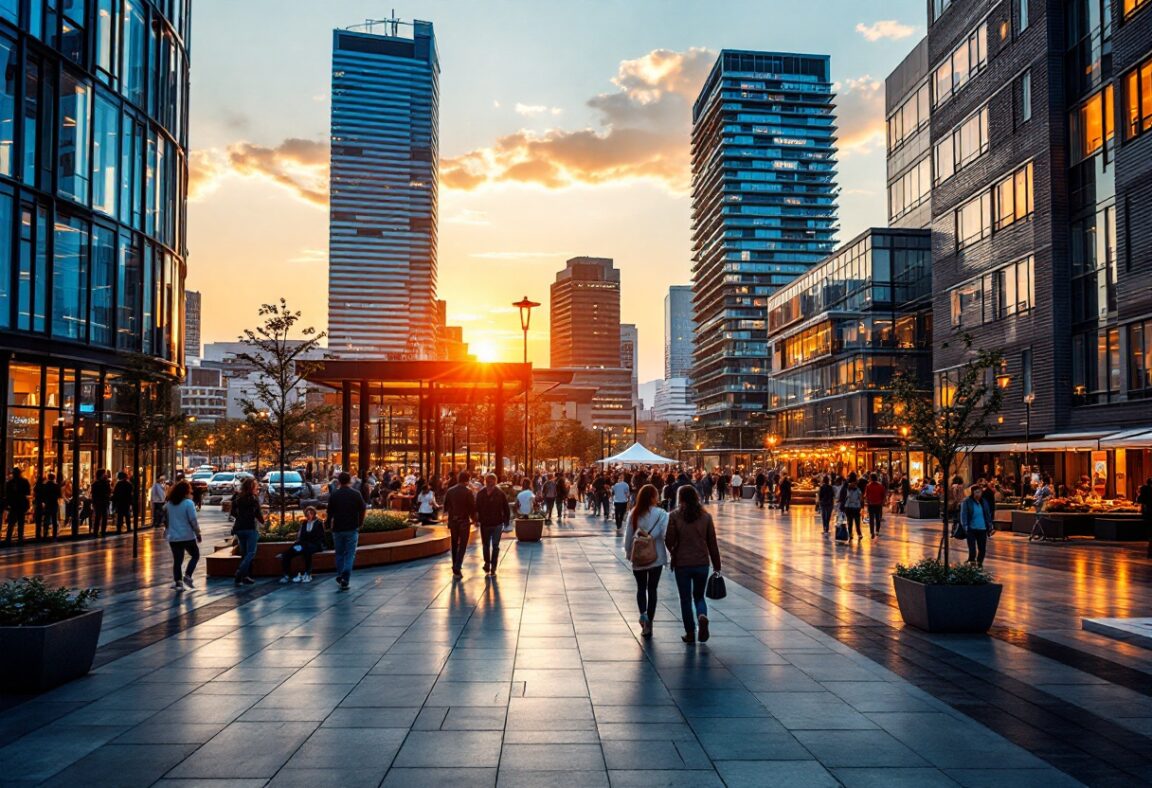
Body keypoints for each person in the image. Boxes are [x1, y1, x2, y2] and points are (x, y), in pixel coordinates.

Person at [665, 485, 721, 644]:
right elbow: (712, 543)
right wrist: (717, 565)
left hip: (682, 563)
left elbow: (668, 539)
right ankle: (702, 615)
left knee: (685, 599)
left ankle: (690, 633)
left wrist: (674, 551)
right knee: (699, 596)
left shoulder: (674, 516)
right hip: (702, 562)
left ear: (680, 498)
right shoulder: (706, 517)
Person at [328, 471, 367, 590]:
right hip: (351, 528)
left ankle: (341, 575)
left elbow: (329, 512)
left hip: (338, 529)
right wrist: (360, 522)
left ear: (338, 481)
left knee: (339, 554)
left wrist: (328, 524)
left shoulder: (334, 494)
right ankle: (345, 576)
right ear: (349, 481)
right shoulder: (356, 494)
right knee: (350, 554)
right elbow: (362, 509)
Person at [164, 480, 202, 592]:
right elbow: (193, 520)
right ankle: (188, 576)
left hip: (173, 536)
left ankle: (178, 581)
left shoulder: (169, 504)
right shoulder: (188, 503)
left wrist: (167, 530)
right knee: (195, 555)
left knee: (177, 560)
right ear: (186, 491)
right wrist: (198, 533)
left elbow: (165, 519)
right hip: (187, 536)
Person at [230, 478, 264, 586]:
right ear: (252, 487)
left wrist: (240, 518)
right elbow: (258, 514)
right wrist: (263, 522)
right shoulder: (254, 499)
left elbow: (233, 513)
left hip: (239, 528)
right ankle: (239, 573)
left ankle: (244, 577)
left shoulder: (237, 497)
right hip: (250, 528)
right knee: (251, 553)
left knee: (244, 554)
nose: (257, 488)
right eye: (255, 486)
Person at [444, 471, 477, 577]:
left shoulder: (450, 491)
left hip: (453, 521)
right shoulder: (468, 492)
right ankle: (457, 565)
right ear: (467, 480)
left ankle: (455, 564)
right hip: (464, 521)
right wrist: (475, 519)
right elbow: (472, 507)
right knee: (462, 544)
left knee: (454, 543)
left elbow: (446, 507)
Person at [476, 473, 510, 576]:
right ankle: (487, 563)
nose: (490, 483)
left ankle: (493, 566)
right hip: (485, 523)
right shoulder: (481, 493)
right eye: (488, 481)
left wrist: (506, 521)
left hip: (497, 523)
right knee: (486, 545)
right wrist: (477, 519)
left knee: (495, 545)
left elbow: (506, 508)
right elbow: (476, 507)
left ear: (495, 482)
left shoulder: (500, 493)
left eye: (492, 481)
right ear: (486, 481)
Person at [280, 506, 325, 583]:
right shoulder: (304, 523)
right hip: (304, 545)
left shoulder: (318, 523)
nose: (309, 515)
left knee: (307, 551)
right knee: (288, 553)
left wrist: (306, 543)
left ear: (314, 514)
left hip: (315, 545)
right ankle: (287, 574)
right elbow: (301, 537)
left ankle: (307, 573)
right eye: (307, 514)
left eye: (311, 513)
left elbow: (320, 538)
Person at [960, 484, 994, 567]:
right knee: (972, 550)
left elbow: (987, 514)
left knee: (982, 549)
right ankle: (971, 563)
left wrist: (990, 526)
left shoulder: (984, 502)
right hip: (971, 529)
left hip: (982, 529)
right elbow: (963, 515)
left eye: (980, 492)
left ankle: (979, 564)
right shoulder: (967, 501)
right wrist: (965, 526)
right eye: (976, 492)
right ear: (972, 492)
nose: (978, 494)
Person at [4, 467, 31, 544]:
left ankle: (8, 539)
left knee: (11, 523)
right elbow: (27, 493)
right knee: (21, 523)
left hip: (13, 505)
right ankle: (20, 539)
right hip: (21, 505)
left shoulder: (9, 483)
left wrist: (8, 504)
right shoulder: (25, 481)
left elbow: (7, 495)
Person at [34, 472, 61, 541]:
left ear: (48, 478)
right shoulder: (56, 486)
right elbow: (59, 495)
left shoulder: (45, 486)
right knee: (54, 520)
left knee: (46, 519)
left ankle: (45, 534)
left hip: (47, 504)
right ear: (54, 478)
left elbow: (43, 495)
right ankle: (54, 536)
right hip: (54, 504)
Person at [864, 473, 887, 538]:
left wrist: (867, 501)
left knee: (871, 519)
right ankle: (877, 531)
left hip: (871, 504)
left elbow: (866, 495)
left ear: (871, 478)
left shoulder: (868, 486)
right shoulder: (880, 486)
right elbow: (884, 495)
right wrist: (882, 502)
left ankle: (872, 532)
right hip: (878, 504)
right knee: (878, 518)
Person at [1139, 478, 1152, 559]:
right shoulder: (1147, 490)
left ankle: (1150, 552)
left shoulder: (1144, 489)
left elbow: (1140, 500)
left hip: (1147, 513)